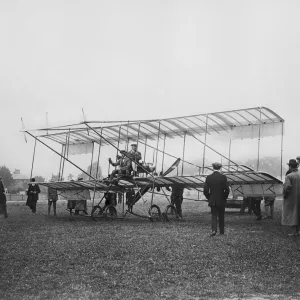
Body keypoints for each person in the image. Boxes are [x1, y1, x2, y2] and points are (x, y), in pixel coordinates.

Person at [203, 162, 230, 236]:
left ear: (213, 167)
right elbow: (227, 190)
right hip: (221, 200)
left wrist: (209, 197)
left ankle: (214, 230)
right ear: (220, 168)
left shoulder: (208, 177)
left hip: (213, 200)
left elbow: (205, 190)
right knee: (221, 215)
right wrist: (224, 197)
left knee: (214, 215)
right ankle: (221, 232)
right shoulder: (223, 177)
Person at [282, 159, 300, 236]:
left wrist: (285, 195)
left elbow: (287, 187)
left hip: (292, 198)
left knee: (292, 213)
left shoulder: (289, 176)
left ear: (290, 166)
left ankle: (295, 231)